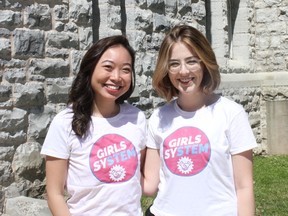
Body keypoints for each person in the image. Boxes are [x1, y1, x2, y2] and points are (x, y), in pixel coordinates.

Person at [142, 25, 257, 216]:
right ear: (166, 70)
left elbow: (244, 187)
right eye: (174, 64)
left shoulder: (231, 114)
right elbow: (149, 186)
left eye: (191, 61)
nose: (184, 71)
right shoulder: (158, 118)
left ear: (204, 63)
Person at [41, 35, 146, 216]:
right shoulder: (65, 122)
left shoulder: (137, 118)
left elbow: (141, 178)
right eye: (108, 67)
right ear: (90, 69)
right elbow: (54, 193)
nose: (116, 77)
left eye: (126, 70)